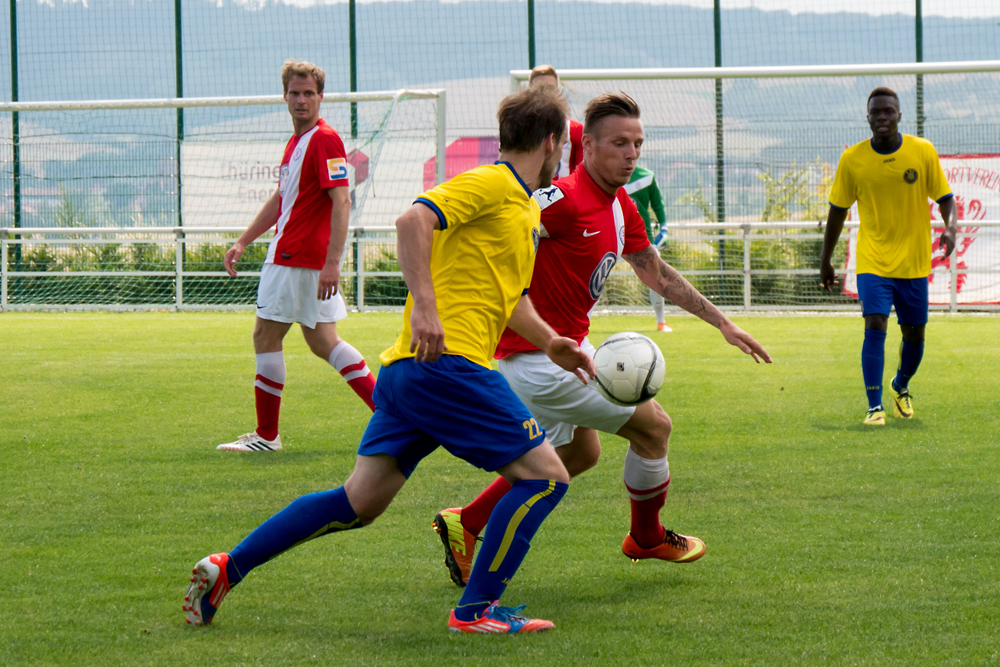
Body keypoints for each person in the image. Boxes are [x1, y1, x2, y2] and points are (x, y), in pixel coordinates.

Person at [183, 85, 595, 634]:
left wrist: (551, 343)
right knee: (546, 478)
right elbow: (412, 221)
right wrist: (425, 306)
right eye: (564, 143)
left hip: (411, 374)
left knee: (358, 502)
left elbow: (508, 297)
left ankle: (227, 568)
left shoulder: (520, 206)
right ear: (550, 142)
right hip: (448, 365)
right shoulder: (494, 182)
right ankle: (474, 613)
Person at [431, 93, 772, 588]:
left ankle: (468, 521)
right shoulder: (561, 199)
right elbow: (495, 225)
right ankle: (646, 537)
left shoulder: (620, 205)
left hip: (570, 350)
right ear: (586, 144)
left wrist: (723, 323)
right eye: (619, 143)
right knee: (653, 428)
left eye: (637, 143)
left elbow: (654, 271)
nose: (631, 153)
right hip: (537, 359)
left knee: (581, 455)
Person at [217, 60, 377, 453]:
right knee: (324, 341)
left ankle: (267, 437)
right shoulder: (299, 140)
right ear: (284, 96)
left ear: (321, 97)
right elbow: (282, 198)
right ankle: (392, 414)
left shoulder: (324, 139)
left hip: (295, 256)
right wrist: (244, 240)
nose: (302, 100)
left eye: (309, 93)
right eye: (295, 93)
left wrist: (333, 263)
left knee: (265, 335)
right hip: (298, 256)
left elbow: (342, 201)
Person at [820, 87, 956, 426]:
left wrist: (950, 229)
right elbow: (837, 211)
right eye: (876, 112)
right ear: (867, 117)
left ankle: (901, 385)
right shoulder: (852, 160)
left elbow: (946, 199)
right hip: (873, 260)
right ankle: (874, 406)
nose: (882, 117)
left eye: (888, 111)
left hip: (912, 261)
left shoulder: (921, 152)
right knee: (875, 324)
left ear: (899, 115)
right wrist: (825, 259)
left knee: (914, 334)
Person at [625, 164, 672, 332]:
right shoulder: (605, 173)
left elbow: (657, 203)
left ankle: (661, 321)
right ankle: (582, 320)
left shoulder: (647, 176)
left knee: (655, 276)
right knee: (594, 276)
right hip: (611, 233)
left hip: (642, 236)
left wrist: (664, 228)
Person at [529, 65, 583, 180]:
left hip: (564, 195)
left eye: (550, 88)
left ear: (557, 91)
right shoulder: (519, 128)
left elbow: (583, 174)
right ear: (530, 91)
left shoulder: (575, 130)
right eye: (539, 88)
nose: (544, 93)